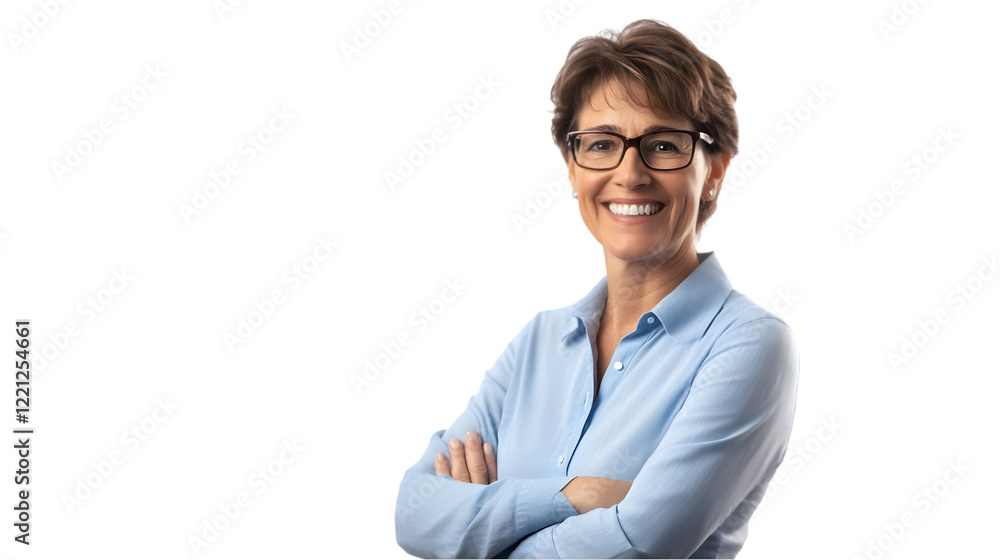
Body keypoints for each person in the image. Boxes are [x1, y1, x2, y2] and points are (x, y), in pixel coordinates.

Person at [395, 19, 798, 559]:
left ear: (716, 169)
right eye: (602, 144)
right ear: (572, 167)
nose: (629, 173)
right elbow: (415, 512)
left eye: (662, 144)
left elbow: (637, 544)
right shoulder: (539, 343)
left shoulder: (748, 348)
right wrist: (574, 497)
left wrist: (481, 528)